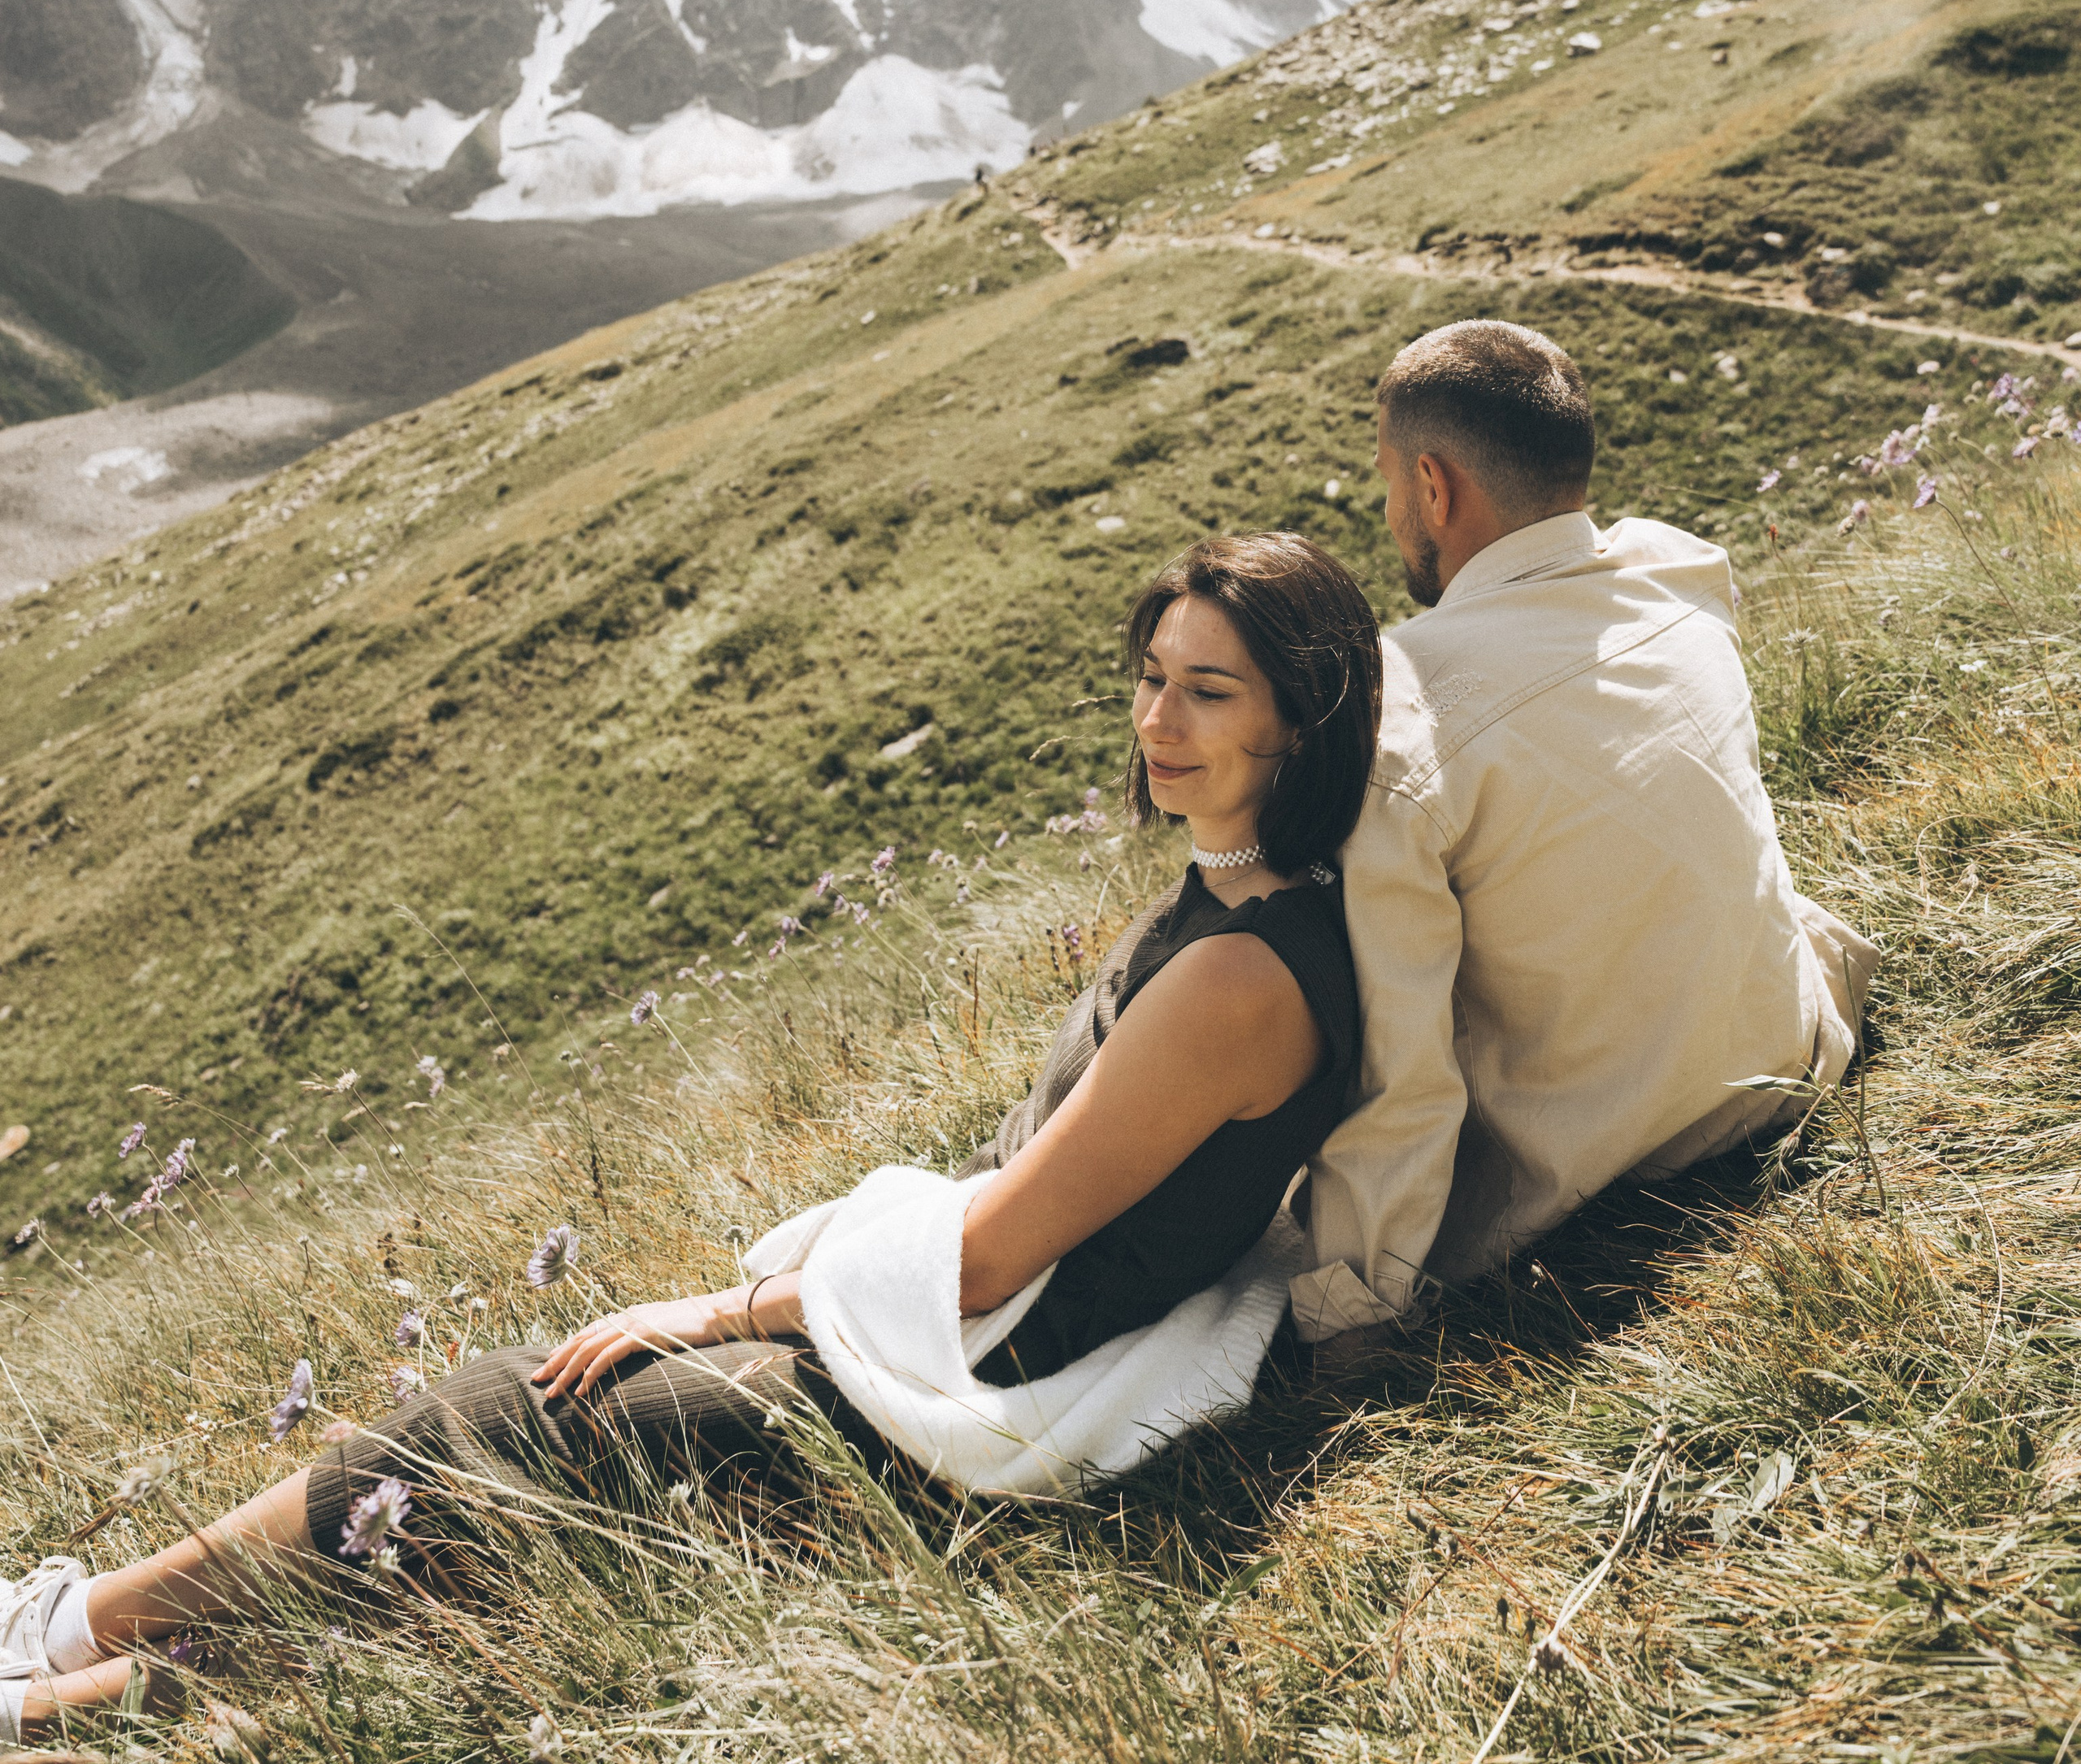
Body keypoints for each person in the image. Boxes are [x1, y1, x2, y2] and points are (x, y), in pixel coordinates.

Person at [2, 532, 1382, 1737]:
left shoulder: (1237, 977)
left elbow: (984, 1259)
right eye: (1150, 677)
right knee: (496, 1442)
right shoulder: (1231, 905)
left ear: (1301, 725)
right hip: (989, 1339)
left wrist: (724, 1308)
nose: (1157, 719)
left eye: (1208, 692)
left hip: (987, 1375)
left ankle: (63, 1666)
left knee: (504, 1444)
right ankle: (68, 1653)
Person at [1289, 318, 1879, 1359]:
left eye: (1386, 481)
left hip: (1591, 1169)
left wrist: (1352, 1314)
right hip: (1784, 1055)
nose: (1388, 512)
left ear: (1433, 485)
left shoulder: (1395, 720)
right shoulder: (1680, 577)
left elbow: (1402, 1065)